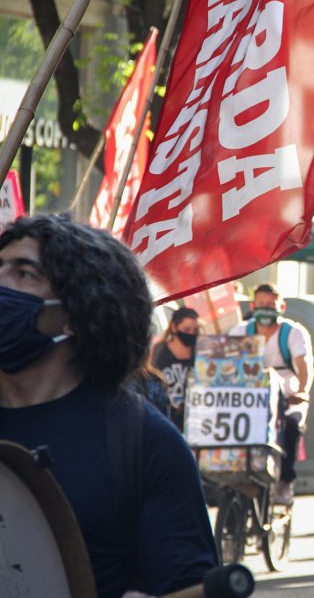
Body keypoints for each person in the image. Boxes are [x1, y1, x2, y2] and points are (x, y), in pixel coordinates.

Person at [0, 214, 216, 598]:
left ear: (74, 315)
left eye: (24, 274)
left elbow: (190, 586)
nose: (2, 283)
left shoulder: (143, 443)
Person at [229, 283, 314, 505]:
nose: (265, 310)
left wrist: (302, 390)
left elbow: (302, 364)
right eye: (261, 305)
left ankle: (285, 481)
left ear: (281, 306)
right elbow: (226, 364)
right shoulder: (240, 332)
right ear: (253, 305)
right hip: (250, 396)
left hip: (287, 394)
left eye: (270, 305)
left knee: (291, 428)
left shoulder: (292, 333)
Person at [150, 306, 200, 430]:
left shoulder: (200, 352)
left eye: (194, 330)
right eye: (186, 329)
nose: (191, 334)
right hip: (169, 422)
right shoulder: (159, 353)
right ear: (173, 327)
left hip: (197, 421)